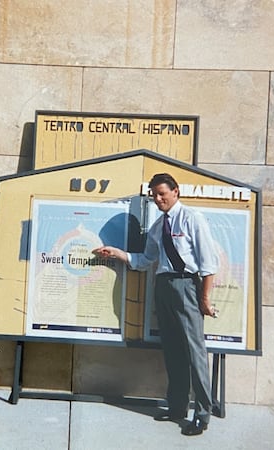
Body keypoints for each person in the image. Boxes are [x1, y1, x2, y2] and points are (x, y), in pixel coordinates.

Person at [93, 173, 219, 436]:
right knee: (172, 349)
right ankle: (177, 407)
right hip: (162, 287)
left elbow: (208, 264)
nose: (158, 198)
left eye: (162, 193)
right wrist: (116, 252)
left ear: (176, 192)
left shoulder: (192, 218)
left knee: (194, 351)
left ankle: (203, 414)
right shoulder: (157, 227)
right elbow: (144, 260)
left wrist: (205, 299)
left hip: (186, 286)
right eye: (154, 194)